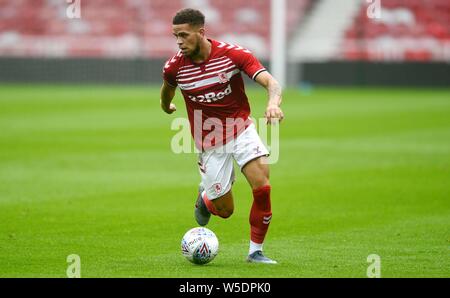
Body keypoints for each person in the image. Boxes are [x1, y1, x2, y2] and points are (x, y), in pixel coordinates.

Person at [160, 8, 284, 264]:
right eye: (176, 36)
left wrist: (273, 104)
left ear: (201, 32)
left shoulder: (232, 55)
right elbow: (167, 92)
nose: (179, 42)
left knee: (263, 187)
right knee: (225, 211)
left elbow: (272, 83)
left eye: (184, 35)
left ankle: (255, 252)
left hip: (241, 129)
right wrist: (166, 106)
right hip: (209, 142)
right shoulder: (175, 68)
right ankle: (205, 198)